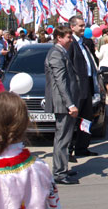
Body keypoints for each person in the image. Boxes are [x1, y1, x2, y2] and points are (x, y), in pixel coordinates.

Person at [44, 26, 80, 185]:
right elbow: (60, 82)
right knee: (62, 138)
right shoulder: (56, 54)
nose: (71, 40)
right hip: (63, 103)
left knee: (66, 137)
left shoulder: (61, 52)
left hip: (66, 102)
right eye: (68, 37)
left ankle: (63, 167)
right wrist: (70, 104)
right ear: (59, 38)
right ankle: (59, 173)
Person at [67, 16, 100, 159]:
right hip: (77, 88)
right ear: (72, 27)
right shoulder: (70, 43)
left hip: (87, 86)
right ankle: (68, 151)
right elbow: (68, 67)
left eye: (83, 26)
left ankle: (82, 147)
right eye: (80, 26)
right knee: (72, 122)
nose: (83, 28)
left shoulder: (84, 43)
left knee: (86, 118)